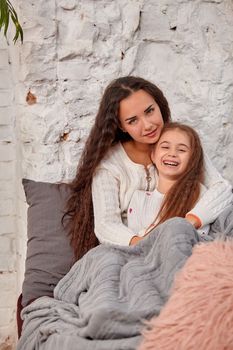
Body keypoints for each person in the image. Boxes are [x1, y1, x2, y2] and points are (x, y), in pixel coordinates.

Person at [66, 76, 233, 259]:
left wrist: (189, 222)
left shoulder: (179, 142)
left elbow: (222, 189)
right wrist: (146, 243)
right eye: (132, 121)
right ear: (121, 126)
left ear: (159, 105)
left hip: (185, 243)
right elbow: (106, 225)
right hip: (136, 252)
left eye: (149, 111)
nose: (148, 125)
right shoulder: (109, 166)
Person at [127, 122, 211, 240]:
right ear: (153, 155)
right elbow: (136, 243)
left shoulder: (199, 193)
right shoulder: (139, 198)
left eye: (181, 150)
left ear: (192, 159)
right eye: (165, 147)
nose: (172, 154)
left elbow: (199, 238)